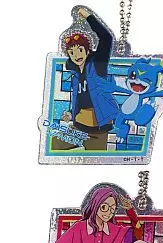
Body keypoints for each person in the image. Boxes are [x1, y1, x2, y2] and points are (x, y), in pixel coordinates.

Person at [51, 7, 120, 151]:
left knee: (96, 160)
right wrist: (71, 114)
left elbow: (106, 38)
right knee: (54, 144)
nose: (77, 55)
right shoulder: (75, 76)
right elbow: (82, 99)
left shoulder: (97, 66)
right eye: (72, 52)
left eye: (80, 50)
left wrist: (89, 17)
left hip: (98, 131)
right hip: (78, 128)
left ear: (88, 51)